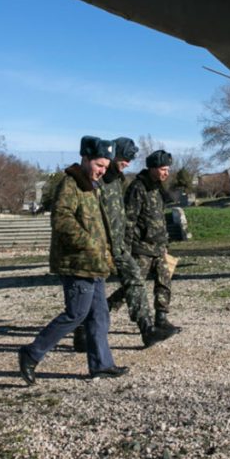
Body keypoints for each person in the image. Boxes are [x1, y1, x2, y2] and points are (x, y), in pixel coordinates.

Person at [18, 136, 128, 384]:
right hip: (77, 263)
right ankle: (31, 353)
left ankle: (101, 364)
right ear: (85, 158)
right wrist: (90, 244)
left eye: (106, 166)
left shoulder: (91, 185)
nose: (102, 171)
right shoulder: (70, 184)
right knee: (76, 314)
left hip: (95, 264)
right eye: (99, 165)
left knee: (99, 315)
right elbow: (62, 221)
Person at [74, 137, 176, 352]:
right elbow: (127, 218)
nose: (127, 163)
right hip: (110, 246)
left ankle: (148, 329)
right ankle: (81, 329)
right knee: (90, 299)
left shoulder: (118, 180)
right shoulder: (101, 181)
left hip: (122, 245)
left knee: (135, 284)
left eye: (129, 160)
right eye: (123, 158)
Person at [125, 149, 180, 333]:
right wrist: (126, 249)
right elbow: (129, 220)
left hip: (158, 247)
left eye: (168, 169)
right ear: (152, 168)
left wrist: (164, 244)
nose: (167, 172)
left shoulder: (158, 188)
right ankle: (99, 315)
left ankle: (161, 318)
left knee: (164, 282)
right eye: (163, 169)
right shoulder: (138, 188)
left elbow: (159, 219)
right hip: (141, 248)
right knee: (133, 286)